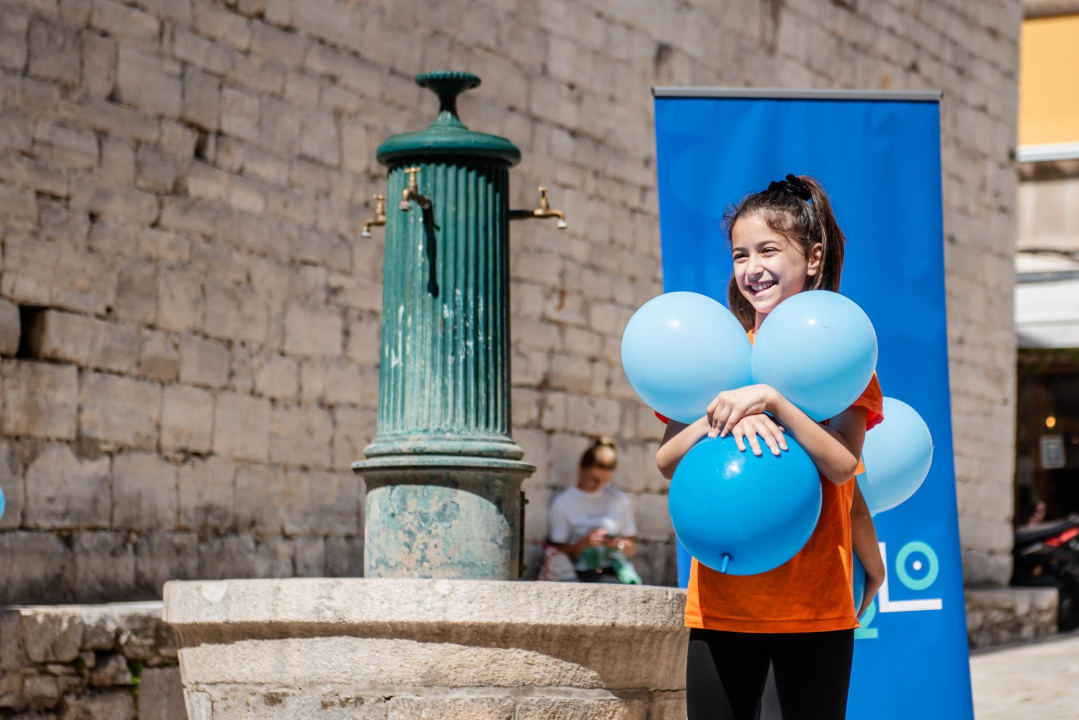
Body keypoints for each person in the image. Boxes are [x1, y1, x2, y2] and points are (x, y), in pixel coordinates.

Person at [655, 175, 886, 720]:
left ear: (813, 257)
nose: (751, 267)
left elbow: (842, 467)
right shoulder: (719, 357)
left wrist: (776, 403)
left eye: (767, 250)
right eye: (739, 254)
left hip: (815, 608)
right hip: (721, 603)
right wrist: (724, 409)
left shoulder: (842, 357)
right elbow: (667, 460)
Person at [548, 437, 642, 584]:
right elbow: (557, 553)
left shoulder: (619, 499)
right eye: (594, 479)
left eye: (605, 481)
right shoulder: (563, 503)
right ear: (581, 468)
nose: (599, 485)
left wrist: (615, 544)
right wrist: (584, 544)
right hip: (578, 574)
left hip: (615, 572)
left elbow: (631, 548)